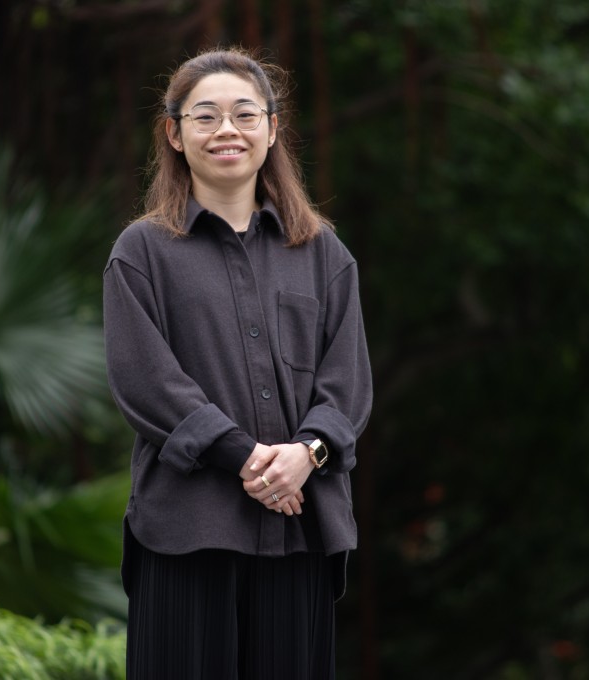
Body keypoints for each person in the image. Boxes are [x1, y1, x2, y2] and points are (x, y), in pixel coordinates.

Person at [103, 46, 373, 680]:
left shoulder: (323, 252)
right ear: (173, 133)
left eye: (245, 114)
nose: (227, 129)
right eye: (205, 116)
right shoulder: (142, 252)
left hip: (301, 529)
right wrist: (246, 457)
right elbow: (145, 382)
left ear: (273, 128)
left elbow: (348, 385)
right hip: (185, 531)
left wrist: (308, 453)